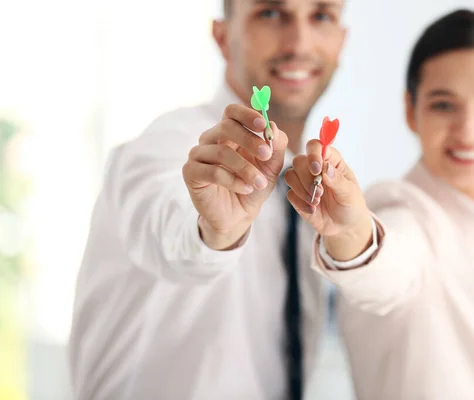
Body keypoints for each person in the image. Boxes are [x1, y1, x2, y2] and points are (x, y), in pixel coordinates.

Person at [285, 9, 474, 400]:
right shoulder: (404, 214)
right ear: (411, 111)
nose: (467, 130)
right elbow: (387, 267)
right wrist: (350, 232)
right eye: (444, 105)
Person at [68, 1, 354, 399]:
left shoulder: (313, 183)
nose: (299, 42)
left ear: (342, 40)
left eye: (321, 15)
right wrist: (213, 233)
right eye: (271, 13)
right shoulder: (163, 148)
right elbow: (169, 229)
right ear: (223, 37)